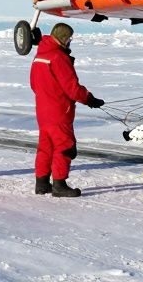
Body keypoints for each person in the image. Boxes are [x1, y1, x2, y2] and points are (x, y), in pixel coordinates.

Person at [30, 22, 103, 198]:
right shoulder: (58, 57)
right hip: (59, 111)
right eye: (69, 39)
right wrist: (89, 99)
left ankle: (42, 183)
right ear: (64, 38)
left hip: (43, 110)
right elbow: (72, 88)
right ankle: (59, 185)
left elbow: (33, 84)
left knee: (46, 146)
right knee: (64, 146)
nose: (70, 42)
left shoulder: (39, 56)